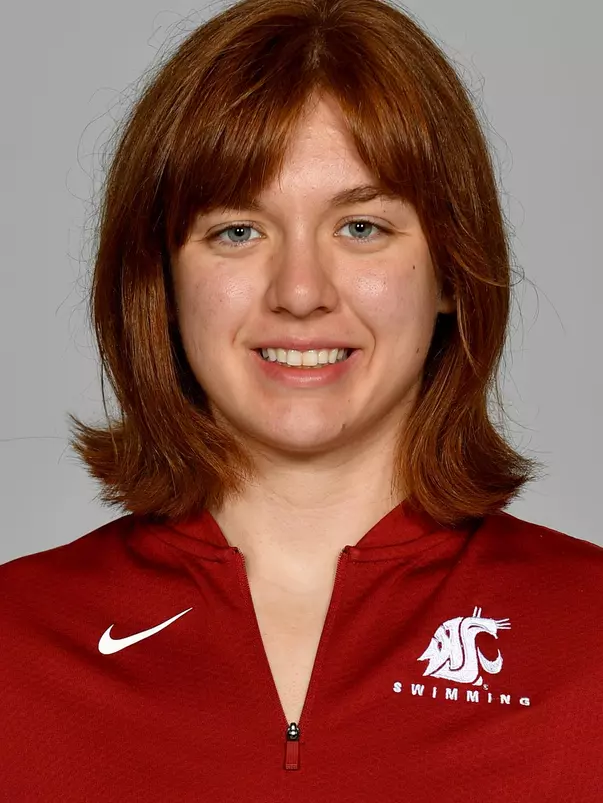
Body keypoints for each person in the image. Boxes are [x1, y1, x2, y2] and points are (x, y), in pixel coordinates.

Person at [1, 0, 601, 800]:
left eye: (360, 227)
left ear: (453, 271)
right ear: (164, 286)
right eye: (237, 231)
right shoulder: (16, 646)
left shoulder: (589, 641)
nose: (299, 292)